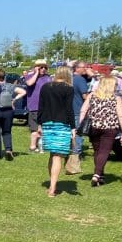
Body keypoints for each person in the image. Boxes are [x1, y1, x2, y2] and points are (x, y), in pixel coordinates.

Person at [77, 75, 122, 187]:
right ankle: (96, 174)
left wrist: (80, 124)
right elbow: (120, 115)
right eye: (115, 84)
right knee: (104, 151)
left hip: (94, 127)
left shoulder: (92, 95)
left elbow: (83, 110)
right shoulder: (116, 98)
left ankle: (100, 175)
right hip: (110, 127)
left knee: (97, 151)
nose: (117, 86)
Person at [37, 66, 75, 197]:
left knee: (52, 155)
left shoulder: (46, 87)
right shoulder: (69, 88)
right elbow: (69, 109)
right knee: (58, 156)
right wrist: (73, 127)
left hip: (47, 123)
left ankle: (51, 185)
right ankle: (53, 188)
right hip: (62, 124)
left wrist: (39, 124)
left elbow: (40, 106)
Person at [0, 69, 26, 160]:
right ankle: (8, 150)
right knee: (7, 132)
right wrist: (14, 99)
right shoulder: (10, 86)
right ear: (4, 76)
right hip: (8, 111)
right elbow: (23, 92)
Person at [66, 61, 90, 174]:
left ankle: (67, 154)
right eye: (83, 67)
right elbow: (85, 96)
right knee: (78, 134)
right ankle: (75, 158)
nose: (85, 69)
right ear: (76, 68)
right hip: (78, 110)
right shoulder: (80, 79)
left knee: (69, 134)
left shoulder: (69, 78)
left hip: (67, 110)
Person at [23, 59, 50, 152]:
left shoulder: (48, 78)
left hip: (45, 107)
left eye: (45, 67)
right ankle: (32, 147)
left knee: (43, 128)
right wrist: (36, 73)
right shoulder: (29, 76)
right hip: (33, 106)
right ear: (35, 67)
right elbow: (29, 83)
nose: (43, 69)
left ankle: (41, 146)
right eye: (40, 67)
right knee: (34, 129)